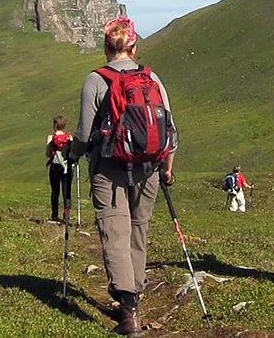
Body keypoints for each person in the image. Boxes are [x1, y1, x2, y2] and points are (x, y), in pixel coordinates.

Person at [66, 17, 176, 337]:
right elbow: (168, 126)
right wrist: (167, 166)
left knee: (115, 232)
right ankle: (135, 296)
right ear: (133, 47)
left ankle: (127, 311)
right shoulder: (151, 77)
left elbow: (85, 133)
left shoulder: (95, 80)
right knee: (138, 230)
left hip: (109, 168)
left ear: (105, 47)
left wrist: (74, 155)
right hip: (149, 168)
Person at [46, 116, 74, 223]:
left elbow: (48, 154)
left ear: (55, 125)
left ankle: (54, 215)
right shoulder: (69, 137)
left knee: (55, 192)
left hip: (55, 167)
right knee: (67, 193)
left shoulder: (51, 137)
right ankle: (66, 216)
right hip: (67, 168)